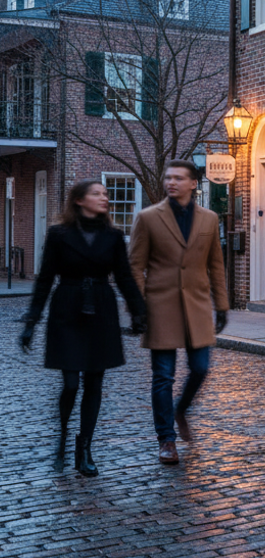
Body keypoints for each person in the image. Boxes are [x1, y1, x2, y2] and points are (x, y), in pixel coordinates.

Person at [20, 180, 147, 477]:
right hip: (68, 308)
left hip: (101, 311)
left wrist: (139, 312)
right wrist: (31, 321)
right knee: (70, 384)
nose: (104, 198)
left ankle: (85, 447)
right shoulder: (59, 234)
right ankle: (63, 434)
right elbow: (45, 279)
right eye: (97, 193)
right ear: (79, 200)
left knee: (94, 384)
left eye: (105, 194)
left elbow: (125, 277)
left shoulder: (114, 236)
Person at [128, 160, 228, 465]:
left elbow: (215, 265)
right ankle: (166, 440)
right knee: (163, 376)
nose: (171, 182)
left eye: (178, 178)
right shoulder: (148, 218)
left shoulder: (209, 220)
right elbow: (135, 265)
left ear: (193, 183)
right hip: (161, 307)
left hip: (197, 306)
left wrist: (222, 305)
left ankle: (181, 409)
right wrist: (140, 306)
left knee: (200, 368)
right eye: (168, 177)